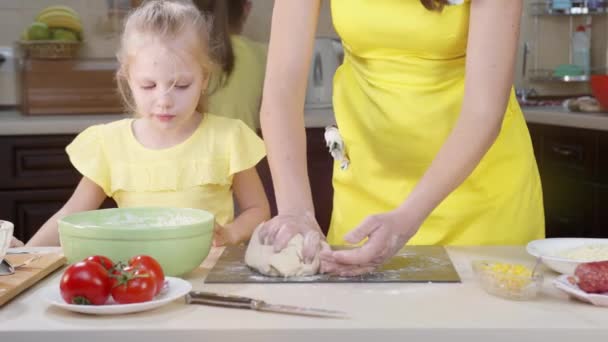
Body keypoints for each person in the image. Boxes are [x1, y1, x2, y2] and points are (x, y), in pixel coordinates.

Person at [257, 0, 544, 276]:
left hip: (478, 199)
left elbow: (483, 113)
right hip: (366, 197)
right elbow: (281, 92)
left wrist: (408, 217)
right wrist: (296, 210)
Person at [23, 0, 270, 247]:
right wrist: (26, 256)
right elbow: (69, 216)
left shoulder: (227, 138)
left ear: (204, 79)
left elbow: (257, 209)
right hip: (137, 278)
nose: (164, 101)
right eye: (148, 85)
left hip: (208, 279)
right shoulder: (110, 145)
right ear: (128, 78)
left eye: (181, 85)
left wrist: (231, 233)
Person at [193, 0, 267, 130]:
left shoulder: (184, 52)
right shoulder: (263, 56)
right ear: (247, 8)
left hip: (195, 149)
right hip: (244, 149)